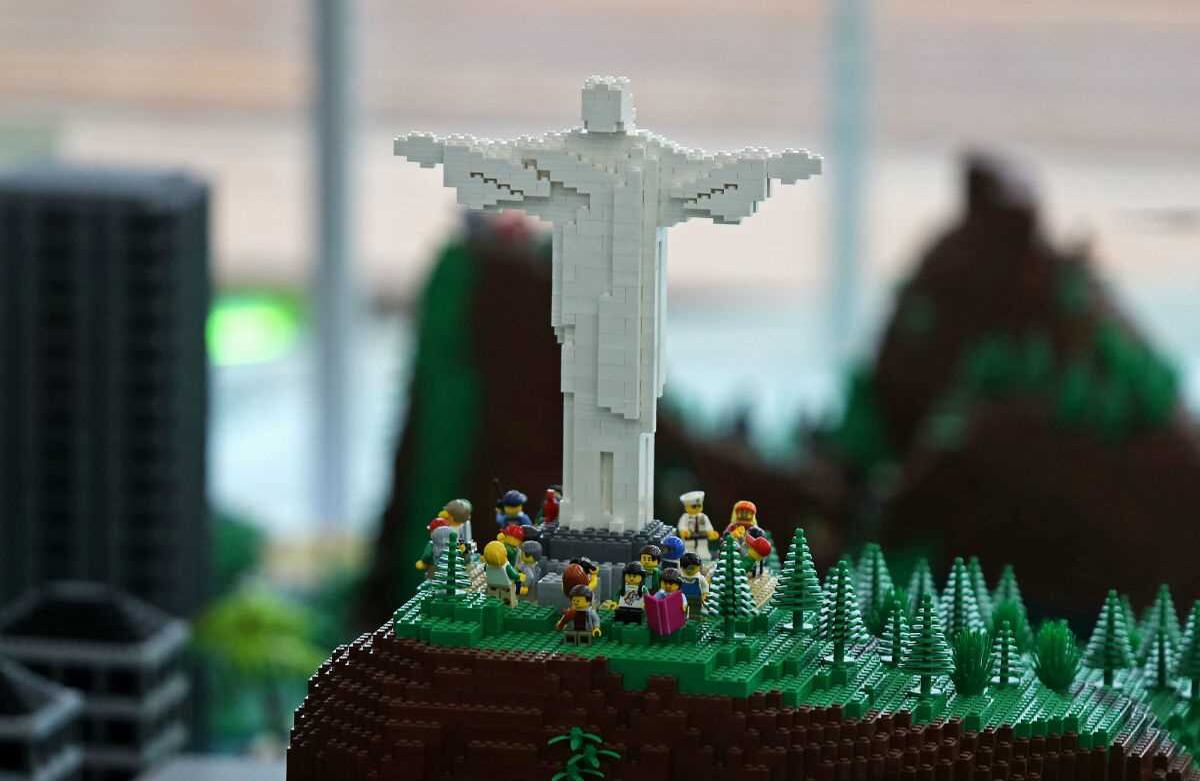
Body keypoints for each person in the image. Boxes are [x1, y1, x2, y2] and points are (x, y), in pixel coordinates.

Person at [677, 490, 718, 560]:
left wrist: (711, 533)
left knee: (704, 557)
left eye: (699, 506)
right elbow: (681, 526)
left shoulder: (704, 517)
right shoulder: (685, 517)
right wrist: (684, 532)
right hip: (689, 543)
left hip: (702, 543)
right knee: (688, 558)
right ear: (686, 507)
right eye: (694, 506)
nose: (697, 508)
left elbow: (708, 527)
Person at [482, 540, 522, 607]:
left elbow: (485, 570)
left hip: (492, 585)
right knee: (508, 599)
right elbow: (514, 575)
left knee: (493, 598)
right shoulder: (506, 566)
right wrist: (518, 576)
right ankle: (509, 606)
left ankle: (493, 606)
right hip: (506, 586)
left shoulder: (487, 565)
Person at [678, 553, 710, 618]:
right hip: (683, 599)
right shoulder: (680, 577)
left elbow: (705, 588)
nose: (688, 570)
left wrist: (704, 595)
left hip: (697, 599)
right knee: (682, 612)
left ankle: (696, 620)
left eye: (692, 568)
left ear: (698, 567)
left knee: (695, 613)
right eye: (685, 568)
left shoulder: (700, 578)